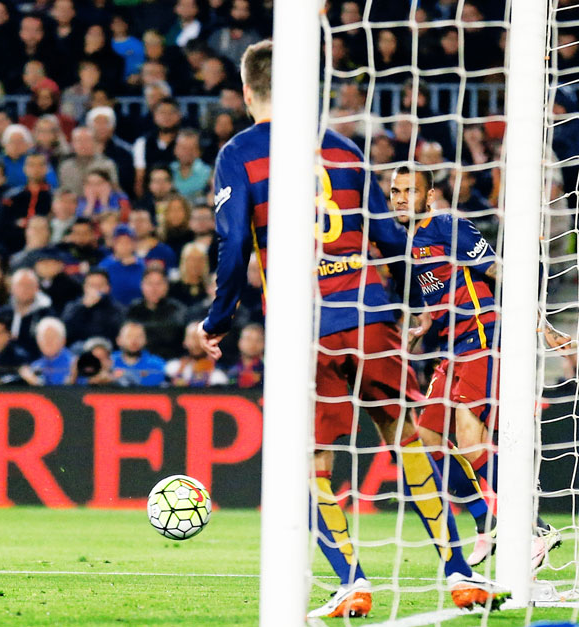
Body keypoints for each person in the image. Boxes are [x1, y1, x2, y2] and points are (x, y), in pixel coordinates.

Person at [194, 40, 507, 617]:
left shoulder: (240, 153)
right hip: (367, 313)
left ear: (246, 92)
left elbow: (235, 242)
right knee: (406, 436)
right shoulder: (340, 149)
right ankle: (461, 572)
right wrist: (411, 300)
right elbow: (390, 239)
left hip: (302, 328)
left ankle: (352, 581)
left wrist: (217, 320)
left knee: (310, 462)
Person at [391, 164, 564, 568]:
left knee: (471, 439)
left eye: (409, 191)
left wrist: (542, 323)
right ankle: (487, 523)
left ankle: (534, 528)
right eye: (395, 191)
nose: (400, 198)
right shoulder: (412, 240)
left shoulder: (447, 225)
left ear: (428, 196)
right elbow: (438, 287)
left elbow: (500, 272)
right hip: (452, 347)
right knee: (429, 434)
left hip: (482, 336)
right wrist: (426, 322)